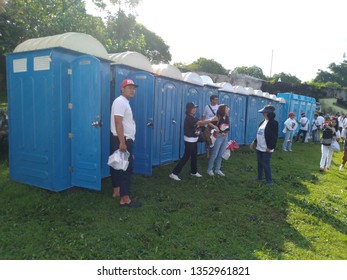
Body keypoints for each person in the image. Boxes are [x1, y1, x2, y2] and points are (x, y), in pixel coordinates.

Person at [110, 79, 141, 208]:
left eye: (133, 88)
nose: (132, 90)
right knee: (126, 169)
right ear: (122, 89)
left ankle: (116, 191)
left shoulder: (123, 102)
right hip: (123, 139)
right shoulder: (120, 102)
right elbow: (118, 122)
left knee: (118, 166)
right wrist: (122, 142)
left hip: (122, 139)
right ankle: (125, 199)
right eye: (129, 88)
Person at [169, 102, 217, 181]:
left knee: (194, 156)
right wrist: (211, 119)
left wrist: (213, 126)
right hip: (189, 140)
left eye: (195, 108)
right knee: (186, 157)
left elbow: (201, 122)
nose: (194, 109)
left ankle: (194, 171)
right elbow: (200, 123)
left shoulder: (193, 117)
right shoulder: (188, 118)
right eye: (192, 108)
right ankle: (174, 173)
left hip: (194, 140)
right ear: (188, 109)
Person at [249, 105, 278, 186]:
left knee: (266, 163)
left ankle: (269, 181)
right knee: (260, 163)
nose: (263, 114)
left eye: (264, 112)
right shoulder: (262, 122)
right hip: (259, 147)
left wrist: (270, 147)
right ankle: (259, 177)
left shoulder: (274, 123)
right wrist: (253, 142)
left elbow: (274, 137)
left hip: (267, 148)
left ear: (268, 113)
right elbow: (259, 133)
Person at [207, 104, 230, 176]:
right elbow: (208, 121)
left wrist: (225, 133)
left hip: (225, 137)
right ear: (223, 110)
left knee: (221, 154)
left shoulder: (227, 117)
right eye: (226, 108)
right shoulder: (217, 117)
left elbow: (227, 127)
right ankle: (209, 169)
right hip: (218, 137)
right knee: (215, 154)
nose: (228, 109)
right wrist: (214, 127)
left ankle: (217, 169)